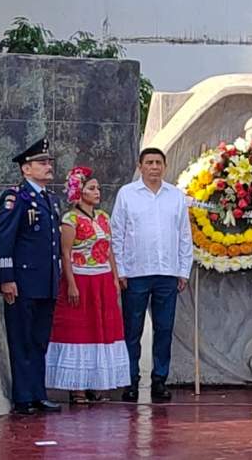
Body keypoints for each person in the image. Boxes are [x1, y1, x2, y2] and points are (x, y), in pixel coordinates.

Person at [111, 147, 192, 402]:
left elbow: (184, 236)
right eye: (149, 163)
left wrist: (183, 271)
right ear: (140, 166)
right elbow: (117, 234)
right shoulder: (127, 194)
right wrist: (120, 270)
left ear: (164, 167)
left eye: (158, 163)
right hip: (135, 272)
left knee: (164, 328)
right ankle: (131, 380)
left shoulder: (176, 196)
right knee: (132, 329)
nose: (154, 167)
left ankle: (159, 379)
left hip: (167, 273)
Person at [45, 166, 130, 403]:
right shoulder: (70, 219)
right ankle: (77, 388)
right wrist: (71, 284)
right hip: (81, 277)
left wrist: (114, 277)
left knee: (102, 330)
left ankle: (97, 384)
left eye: (98, 188)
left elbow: (109, 250)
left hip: (102, 279)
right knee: (79, 329)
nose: (97, 192)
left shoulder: (103, 217)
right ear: (78, 191)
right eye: (91, 188)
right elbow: (65, 252)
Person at [0, 137, 62, 415]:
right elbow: (4, 238)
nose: (48, 166)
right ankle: (23, 396)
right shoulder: (16, 197)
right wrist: (7, 278)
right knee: (21, 339)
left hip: (45, 283)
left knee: (38, 340)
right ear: (26, 169)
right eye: (42, 162)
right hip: (22, 282)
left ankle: (38, 393)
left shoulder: (50, 200)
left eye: (49, 162)